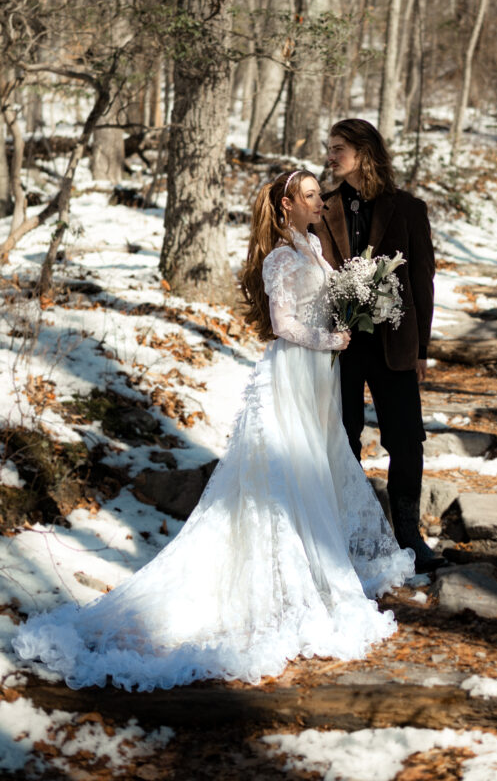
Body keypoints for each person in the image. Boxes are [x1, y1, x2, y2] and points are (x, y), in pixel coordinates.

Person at [12, 170, 414, 691]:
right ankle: (290, 575)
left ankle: (322, 562)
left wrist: (354, 311)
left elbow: (325, 305)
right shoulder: (280, 259)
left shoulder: (314, 245)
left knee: (319, 461)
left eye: (321, 194)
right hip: (294, 370)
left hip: (319, 377)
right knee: (289, 472)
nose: (321, 202)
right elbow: (285, 325)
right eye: (311, 195)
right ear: (288, 205)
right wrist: (330, 340)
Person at [313, 119, 446, 574]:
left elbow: (422, 283)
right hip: (339, 345)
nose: (330, 157)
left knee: (407, 439)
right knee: (344, 436)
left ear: (364, 152)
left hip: (395, 344)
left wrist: (422, 347)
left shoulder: (408, 209)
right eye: (329, 149)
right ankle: (352, 533)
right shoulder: (322, 208)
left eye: (338, 149)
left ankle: (409, 535)